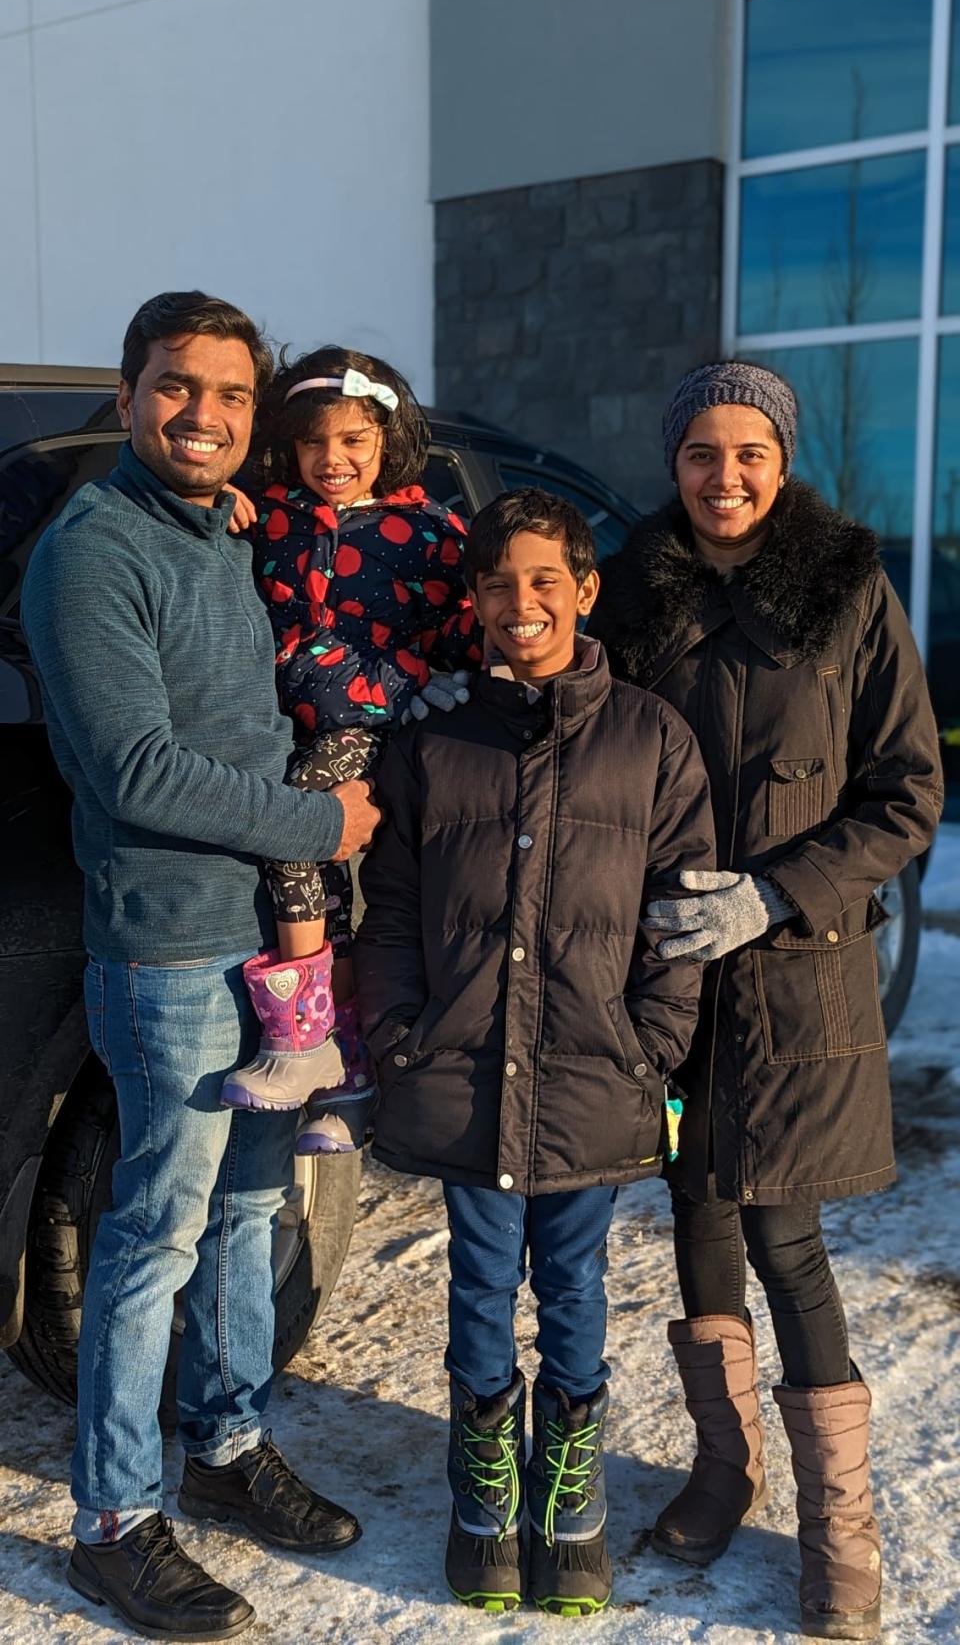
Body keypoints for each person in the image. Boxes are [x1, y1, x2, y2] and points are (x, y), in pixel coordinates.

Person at [21, 292, 380, 1643]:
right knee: (151, 1231)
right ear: (128, 396)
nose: (204, 416)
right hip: (171, 944)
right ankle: (115, 1515)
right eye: (179, 388)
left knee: (248, 1208)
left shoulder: (231, 532)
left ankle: (229, 1444)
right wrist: (324, 824)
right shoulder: (93, 551)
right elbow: (134, 767)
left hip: (269, 943)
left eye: (232, 397)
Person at [590, 361, 943, 1642]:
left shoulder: (849, 590)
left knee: (785, 1234)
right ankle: (722, 1467)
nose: (724, 478)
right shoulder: (627, 592)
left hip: (796, 975)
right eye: (699, 453)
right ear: (672, 460)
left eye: (749, 453)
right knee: (696, 1209)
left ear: (781, 461)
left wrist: (775, 894)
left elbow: (906, 792)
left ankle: (841, 1527)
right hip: (669, 975)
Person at [354, 488, 715, 1616]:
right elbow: (395, 908)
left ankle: (570, 1491)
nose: (523, 603)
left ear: (585, 589)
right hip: (462, 1065)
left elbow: (678, 907)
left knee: (574, 1284)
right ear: (474, 598)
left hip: (591, 1071)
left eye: (545, 580)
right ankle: (483, 1488)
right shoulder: (435, 741)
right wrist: (400, 1032)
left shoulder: (651, 737)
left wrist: (651, 1041)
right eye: (500, 583)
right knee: (475, 1283)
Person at [220, 344, 481, 1153]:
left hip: (373, 731)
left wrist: (443, 681)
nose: (332, 460)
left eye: (353, 441)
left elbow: (471, 627)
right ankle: (348, 1073)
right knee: (323, 898)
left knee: (301, 829)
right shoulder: (270, 517)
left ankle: (303, 1042)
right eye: (313, 443)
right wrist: (219, 502)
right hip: (281, 724)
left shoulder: (429, 531)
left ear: (387, 440)